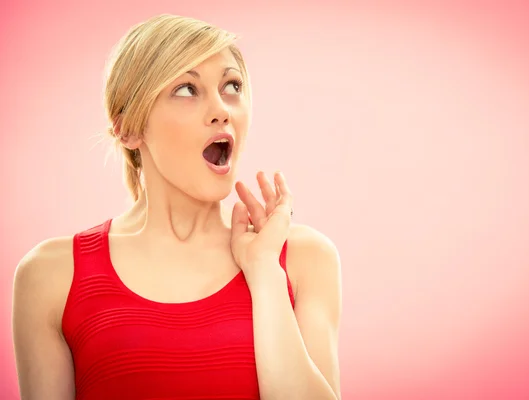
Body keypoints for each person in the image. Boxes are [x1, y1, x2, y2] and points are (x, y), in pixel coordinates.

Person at [12, 14, 342, 400]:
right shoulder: (51, 276)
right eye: (187, 89)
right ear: (129, 129)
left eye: (232, 86)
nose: (222, 110)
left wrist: (264, 271)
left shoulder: (302, 260)